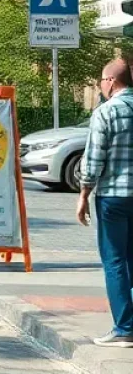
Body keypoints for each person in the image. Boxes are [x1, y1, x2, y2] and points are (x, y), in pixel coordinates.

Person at [77, 58, 133, 347]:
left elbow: (94, 159)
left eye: (101, 79)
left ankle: (124, 328)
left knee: (114, 261)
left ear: (111, 81)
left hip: (114, 196)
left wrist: (84, 194)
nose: (100, 85)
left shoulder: (106, 112)